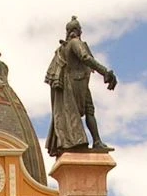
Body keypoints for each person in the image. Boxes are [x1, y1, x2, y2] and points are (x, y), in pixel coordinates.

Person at [45, 16, 117, 157]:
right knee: (85, 111)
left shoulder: (64, 47)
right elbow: (85, 57)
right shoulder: (74, 43)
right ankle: (90, 141)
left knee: (87, 111)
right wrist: (105, 72)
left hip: (78, 82)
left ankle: (96, 141)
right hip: (76, 83)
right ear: (79, 31)